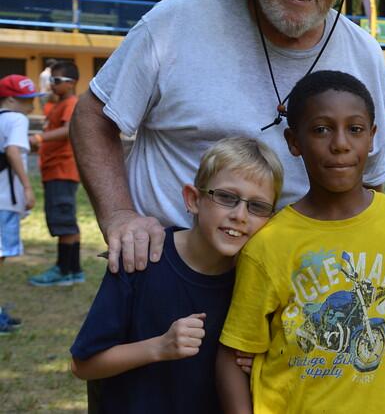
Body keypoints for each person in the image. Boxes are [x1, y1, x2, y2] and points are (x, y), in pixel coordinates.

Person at [69, 0, 385, 275]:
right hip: (170, 272)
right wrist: (120, 215)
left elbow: (369, 182)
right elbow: (93, 115)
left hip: (297, 287)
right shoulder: (182, 17)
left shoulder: (364, 54)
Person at [216, 71, 385, 413]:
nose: (340, 143)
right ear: (294, 142)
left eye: (354, 129)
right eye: (321, 129)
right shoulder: (269, 243)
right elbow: (233, 353)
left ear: (372, 137)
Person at [70, 137, 283, 414]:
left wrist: (257, 366)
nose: (240, 215)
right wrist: (159, 347)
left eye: (257, 207)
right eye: (227, 198)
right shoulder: (141, 258)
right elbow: (83, 364)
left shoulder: (257, 279)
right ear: (193, 199)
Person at [27, 62, 83, 287]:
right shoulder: (56, 104)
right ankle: (74, 270)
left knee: (64, 221)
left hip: (62, 169)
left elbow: (69, 129)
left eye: (57, 81)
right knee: (65, 220)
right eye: (51, 80)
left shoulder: (71, 103)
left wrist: (39, 139)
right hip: (53, 170)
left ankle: (64, 270)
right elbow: (49, 117)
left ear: (72, 83)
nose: (52, 84)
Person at [0, 75, 43, 332]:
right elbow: (13, 151)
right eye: (27, 100)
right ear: (11, 99)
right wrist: (28, 187)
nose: (32, 106)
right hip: (5, 200)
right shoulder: (17, 119)